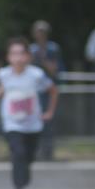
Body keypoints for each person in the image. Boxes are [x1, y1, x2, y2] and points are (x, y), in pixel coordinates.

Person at [0, 37, 58, 189]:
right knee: (18, 153)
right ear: (8, 57)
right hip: (12, 123)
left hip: (32, 124)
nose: (17, 57)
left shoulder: (36, 75)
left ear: (28, 56)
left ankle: (23, 184)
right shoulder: (4, 74)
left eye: (21, 53)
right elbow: (3, 88)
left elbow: (53, 90)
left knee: (28, 157)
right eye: (13, 54)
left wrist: (49, 111)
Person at [29, 20, 63, 161]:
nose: (40, 34)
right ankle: (35, 151)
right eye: (38, 31)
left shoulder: (53, 49)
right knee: (34, 121)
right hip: (34, 91)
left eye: (43, 32)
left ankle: (48, 152)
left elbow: (54, 69)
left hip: (49, 91)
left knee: (49, 121)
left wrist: (42, 59)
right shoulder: (30, 50)